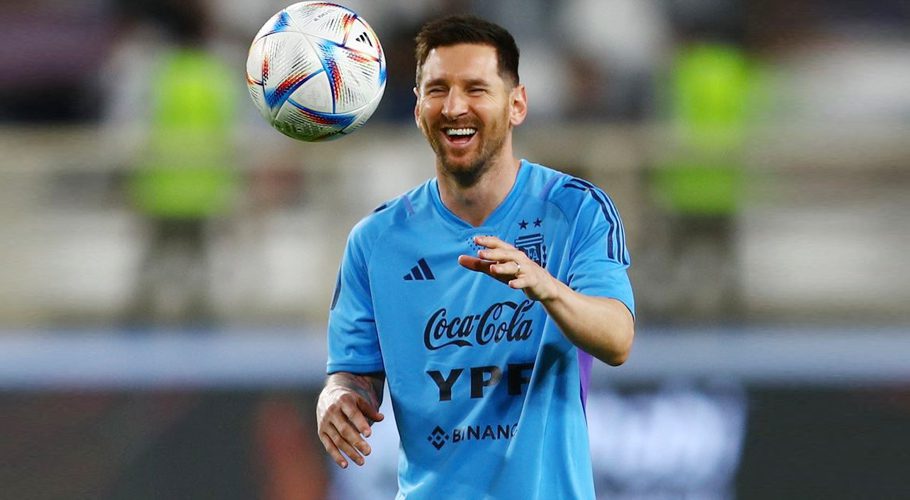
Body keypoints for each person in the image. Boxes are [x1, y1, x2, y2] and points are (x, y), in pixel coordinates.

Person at [317, 14, 635, 499]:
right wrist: (339, 398)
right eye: (438, 89)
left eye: (476, 89)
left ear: (517, 104)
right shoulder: (376, 241)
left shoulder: (574, 210)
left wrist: (546, 287)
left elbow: (617, 339)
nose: (455, 106)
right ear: (418, 105)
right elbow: (354, 371)